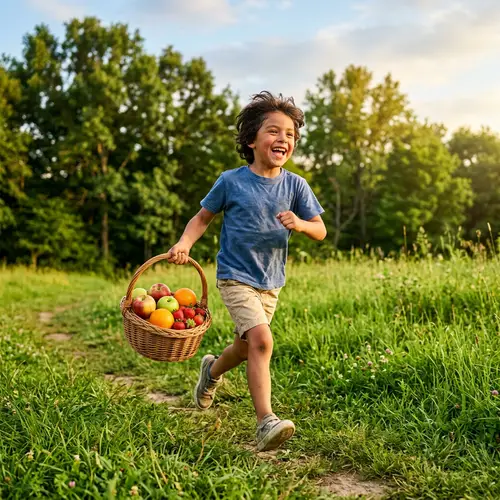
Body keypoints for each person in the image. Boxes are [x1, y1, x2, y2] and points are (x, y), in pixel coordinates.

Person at [166, 91, 326, 451]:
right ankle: (265, 421)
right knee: (262, 341)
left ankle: (211, 371)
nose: (282, 139)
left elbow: (320, 230)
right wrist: (184, 244)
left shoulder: (296, 185)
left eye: (290, 134)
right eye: (273, 131)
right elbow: (202, 217)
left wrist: (300, 223)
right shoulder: (232, 181)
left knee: (243, 347)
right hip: (235, 276)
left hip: (271, 283)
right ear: (252, 139)